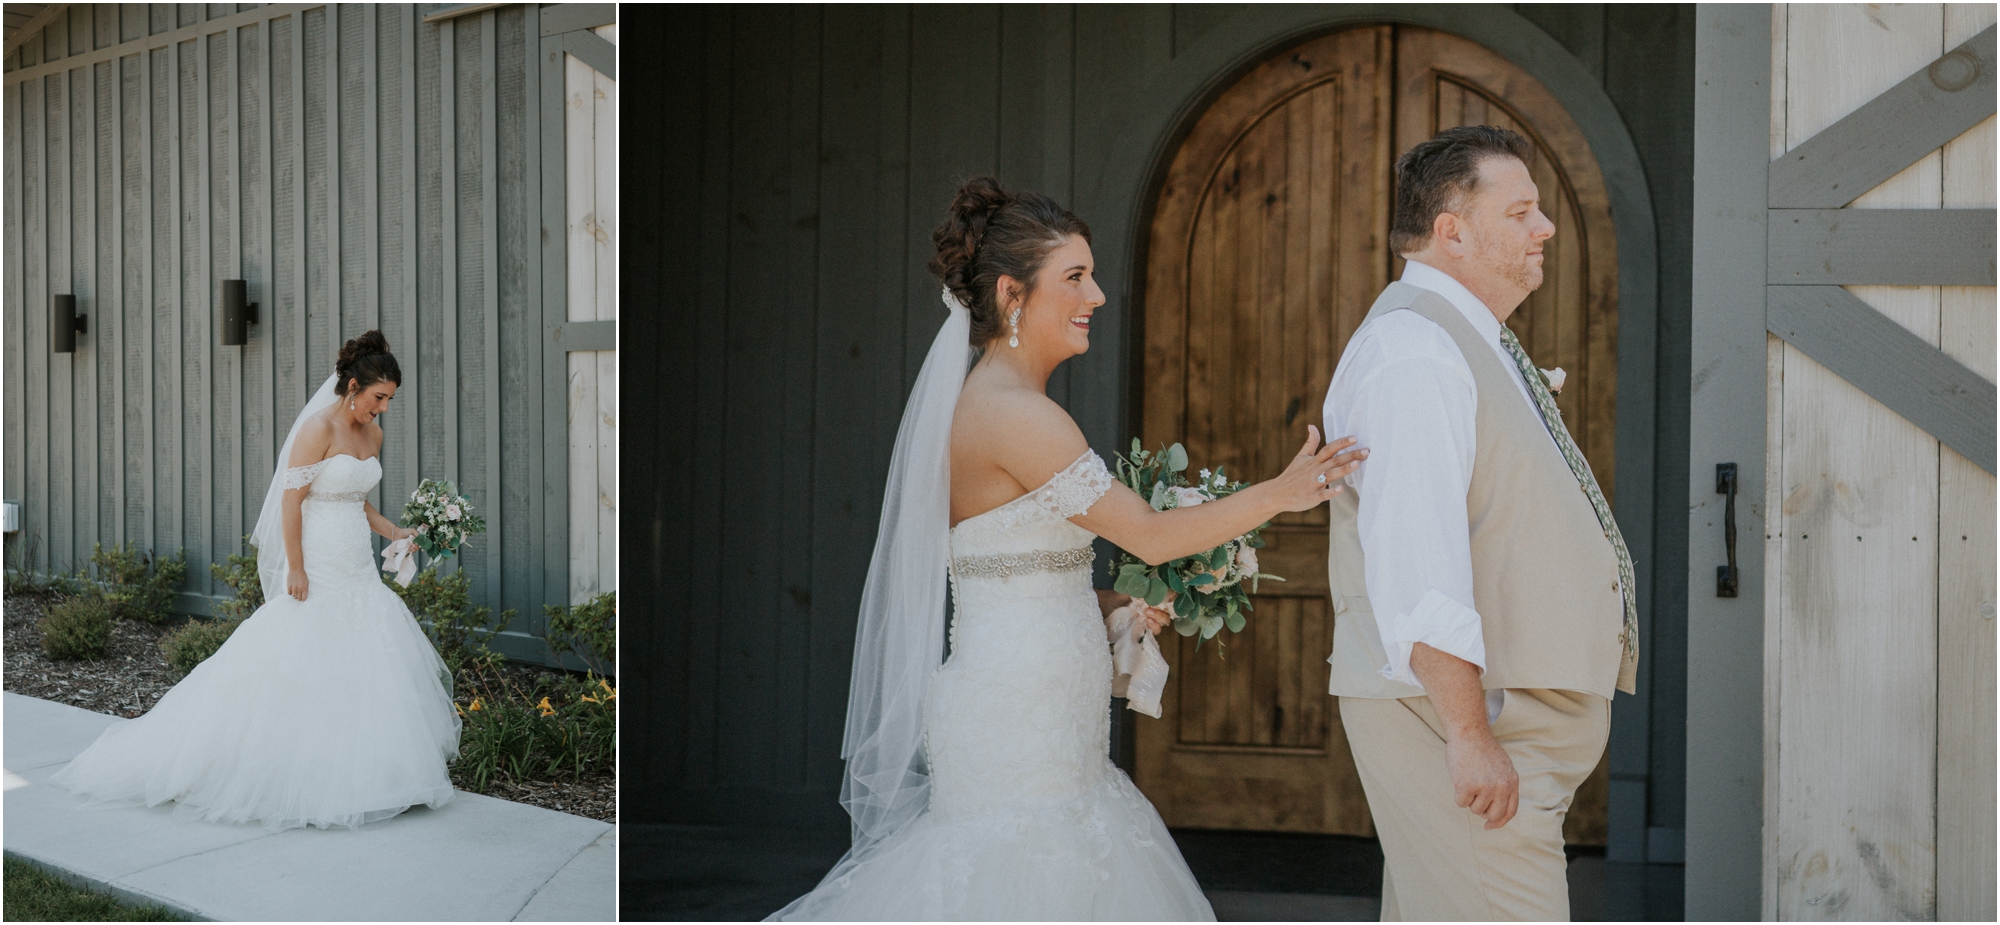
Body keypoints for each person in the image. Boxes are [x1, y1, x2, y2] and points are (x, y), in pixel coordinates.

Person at [771, 177, 1369, 921]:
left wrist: (1126, 602)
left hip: (1038, 712)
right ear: (1014, 295)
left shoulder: (996, 403)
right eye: (1076, 277)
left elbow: (1019, 580)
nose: (1099, 295)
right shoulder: (1019, 416)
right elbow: (1147, 533)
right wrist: (1282, 490)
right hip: (1022, 724)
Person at [1319, 125, 1638, 920]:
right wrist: (1468, 734)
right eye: (1522, 210)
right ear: (1451, 231)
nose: (1546, 227)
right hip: (1461, 721)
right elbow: (1417, 554)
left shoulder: (1460, 339)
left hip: (1492, 721)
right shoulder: (1415, 350)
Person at [53, 331, 461, 831]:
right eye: (379, 398)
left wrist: (396, 530)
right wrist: (296, 566)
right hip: (316, 558)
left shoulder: (372, 434)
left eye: (390, 401)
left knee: (365, 653)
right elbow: (292, 501)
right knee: (296, 650)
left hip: (355, 558)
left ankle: (371, 773)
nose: (384, 409)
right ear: (354, 387)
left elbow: (358, 500)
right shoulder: (317, 428)